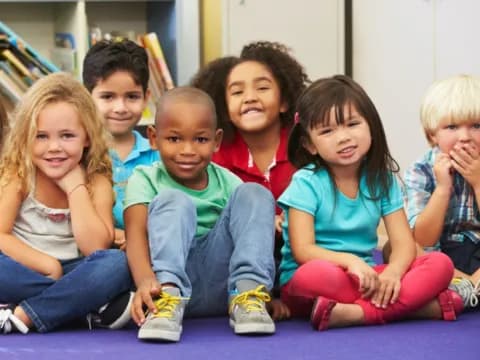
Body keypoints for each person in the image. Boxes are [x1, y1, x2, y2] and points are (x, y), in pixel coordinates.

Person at [278, 75, 464, 331]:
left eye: (352, 124)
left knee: (440, 264)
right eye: (327, 131)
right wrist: (350, 262)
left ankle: (356, 314)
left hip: (369, 277)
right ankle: (414, 308)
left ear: (371, 127)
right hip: (317, 278)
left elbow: (402, 244)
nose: (343, 137)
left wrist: (393, 273)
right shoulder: (305, 182)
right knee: (317, 274)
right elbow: (303, 250)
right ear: (310, 144)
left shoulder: (382, 179)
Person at [124, 87, 276, 342]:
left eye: (200, 140)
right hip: (168, 282)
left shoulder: (228, 182)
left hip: (224, 284)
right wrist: (145, 282)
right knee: (174, 200)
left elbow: (251, 232)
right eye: (174, 139)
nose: (188, 150)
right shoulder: (144, 178)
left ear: (216, 140)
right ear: (153, 137)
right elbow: (135, 235)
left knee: (255, 194)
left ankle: (249, 294)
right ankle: (167, 303)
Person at [0, 73, 133, 334]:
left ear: (87, 137)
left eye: (67, 136)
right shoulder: (20, 174)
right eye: (41, 137)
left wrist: (75, 187)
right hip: (24, 268)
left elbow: (95, 247)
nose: (54, 147)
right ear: (26, 136)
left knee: (117, 265)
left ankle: (26, 313)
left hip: (77, 270)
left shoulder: (97, 182)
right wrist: (47, 265)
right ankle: (81, 307)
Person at [191, 41, 309, 320]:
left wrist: (286, 219)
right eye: (237, 92)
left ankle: (279, 293)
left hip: (295, 251)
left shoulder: (305, 146)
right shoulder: (217, 152)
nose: (250, 97)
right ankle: (250, 294)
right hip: (237, 256)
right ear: (224, 106)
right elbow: (211, 217)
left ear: (283, 101)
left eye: (263, 88)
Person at [403, 74, 480, 310]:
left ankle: (461, 292)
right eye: (452, 127)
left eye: (476, 126)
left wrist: (477, 182)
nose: (465, 137)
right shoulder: (420, 171)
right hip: (442, 254)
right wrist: (443, 188)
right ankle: (464, 287)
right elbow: (424, 239)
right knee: (402, 250)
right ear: (431, 135)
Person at [83, 39, 160, 250]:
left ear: (146, 98)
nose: (120, 108)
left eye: (132, 97)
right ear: (86, 99)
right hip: (99, 253)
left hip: (155, 251)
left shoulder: (160, 155)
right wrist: (120, 236)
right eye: (107, 97)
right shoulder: (78, 156)